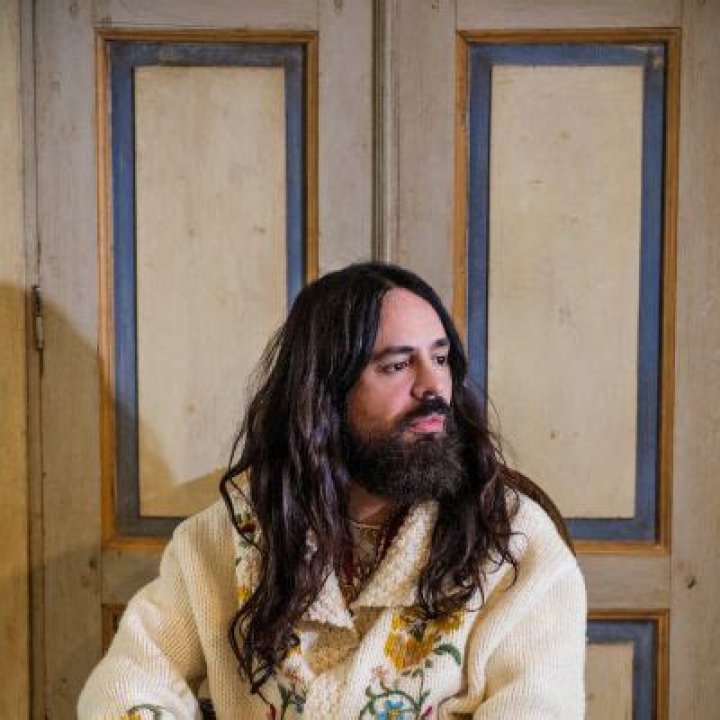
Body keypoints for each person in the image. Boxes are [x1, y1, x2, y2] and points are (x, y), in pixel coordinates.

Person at [79, 262, 586, 719]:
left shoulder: (513, 540)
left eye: (441, 358)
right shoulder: (235, 533)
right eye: (397, 365)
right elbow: (127, 683)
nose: (433, 387)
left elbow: (538, 706)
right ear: (326, 391)